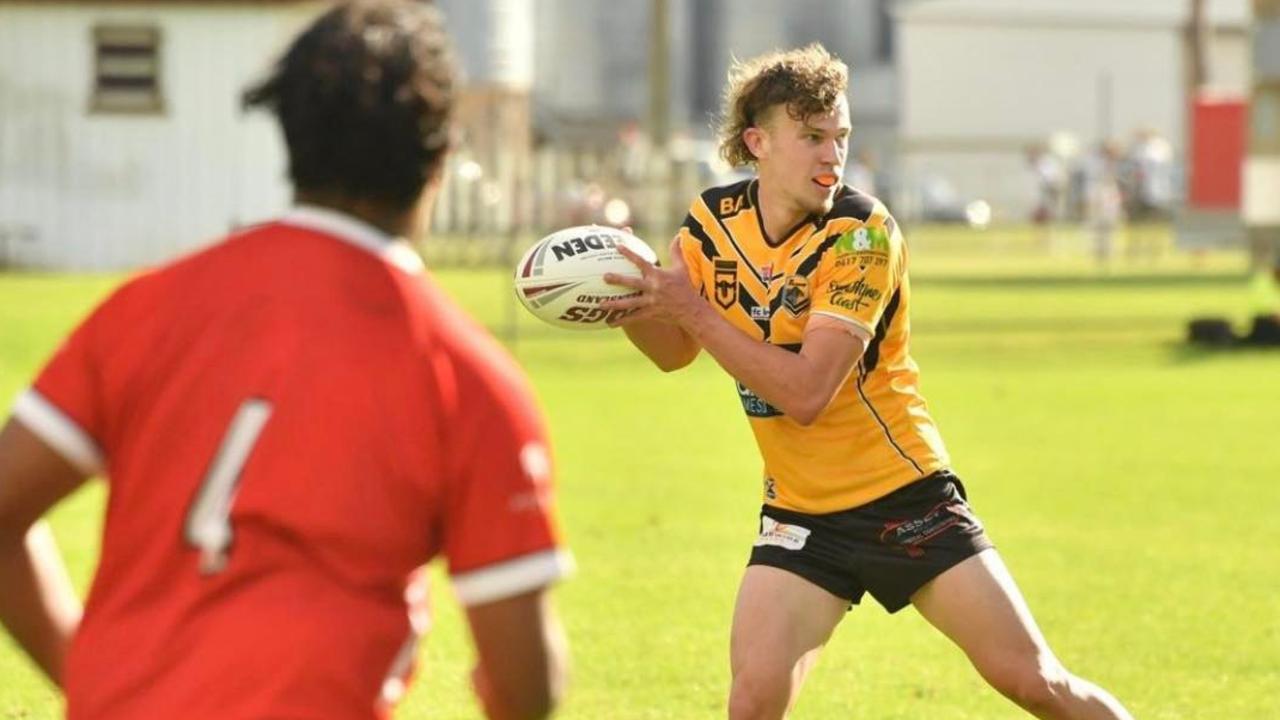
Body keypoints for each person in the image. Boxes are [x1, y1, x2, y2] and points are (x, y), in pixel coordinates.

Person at [0, 3, 572, 719]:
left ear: (288, 130)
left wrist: (93, 680)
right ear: (442, 154)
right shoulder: (466, 375)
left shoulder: (144, 308)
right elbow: (527, 688)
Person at [601, 44, 1134, 720]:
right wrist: (626, 304)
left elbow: (805, 394)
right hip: (800, 516)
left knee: (1035, 682)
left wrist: (692, 309)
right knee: (751, 702)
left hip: (903, 499)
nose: (833, 155)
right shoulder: (711, 223)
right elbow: (675, 351)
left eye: (841, 137)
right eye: (813, 137)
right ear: (757, 143)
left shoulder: (861, 235)